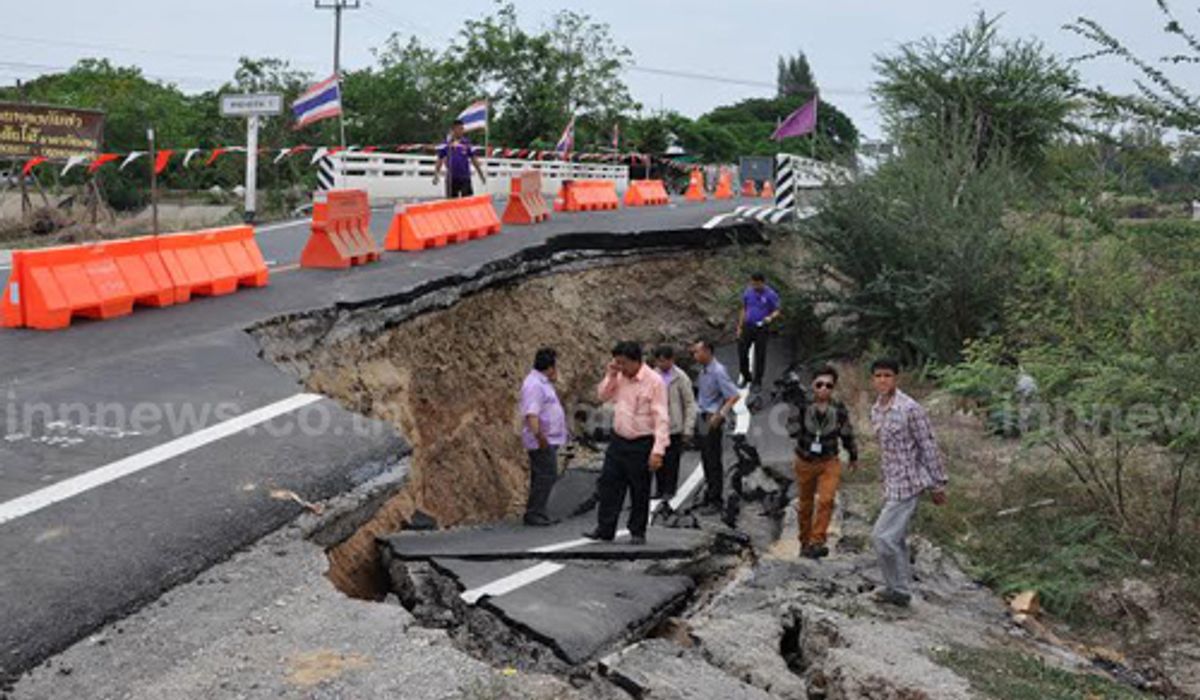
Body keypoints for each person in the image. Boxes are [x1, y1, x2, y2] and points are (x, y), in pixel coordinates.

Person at [867, 358, 949, 607]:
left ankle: (898, 589)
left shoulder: (910, 409)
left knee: (882, 537)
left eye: (888, 375)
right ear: (873, 379)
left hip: (908, 483)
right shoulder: (877, 409)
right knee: (897, 539)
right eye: (878, 376)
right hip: (891, 483)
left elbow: (928, 446)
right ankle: (900, 588)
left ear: (896, 378)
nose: (883, 380)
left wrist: (938, 484)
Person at [583, 341, 670, 545]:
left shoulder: (654, 381)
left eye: (623, 363)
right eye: (617, 362)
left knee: (639, 488)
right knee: (609, 484)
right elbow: (602, 395)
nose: (620, 367)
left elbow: (661, 417)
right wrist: (611, 374)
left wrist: (658, 450)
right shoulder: (619, 376)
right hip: (618, 439)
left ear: (636, 361)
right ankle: (605, 528)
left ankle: (637, 531)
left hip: (641, 442)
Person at [792, 366, 858, 560]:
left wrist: (853, 455)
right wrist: (798, 421)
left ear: (833, 388)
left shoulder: (838, 408)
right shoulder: (803, 404)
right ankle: (805, 543)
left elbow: (846, 433)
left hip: (829, 460)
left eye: (828, 385)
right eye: (819, 384)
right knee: (805, 505)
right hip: (805, 460)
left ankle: (817, 541)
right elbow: (791, 428)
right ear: (813, 385)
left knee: (826, 500)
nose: (823, 389)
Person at [691, 340, 741, 512]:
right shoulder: (704, 371)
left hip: (712, 417)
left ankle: (716, 500)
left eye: (697, 352)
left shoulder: (718, 371)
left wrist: (721, 414)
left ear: (707, 351)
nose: (695, 355)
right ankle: (709, 493)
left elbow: (733, 395)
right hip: (702, 416)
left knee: (713, 459)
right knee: (706, 458)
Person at [519, 348, 568, 527]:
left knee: (541, 474)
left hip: (548, 438)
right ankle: (535, 512)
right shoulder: (534, 385)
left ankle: (537, 511)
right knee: (547, 474)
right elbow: (531, 414)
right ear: (551, 367)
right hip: (542, 439)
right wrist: (539, 436)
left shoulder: (542, 383)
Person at [652, 345, 698, 505]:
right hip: (657, 426)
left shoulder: (680, 377)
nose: (661, 364)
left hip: (674, 426)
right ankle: (659, 489)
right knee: (659, 458)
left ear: (671, 360)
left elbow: (689, 403)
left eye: (664, 361)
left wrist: (688, 428)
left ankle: (669, 490)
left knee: (672, 460)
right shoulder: (653, 376)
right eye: (658, 361)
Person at [736, 273, 782, 389]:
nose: (754, 286)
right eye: (753, 283)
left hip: (761, 327)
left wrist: (770, 317)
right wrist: (740, 326)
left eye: (757, 284)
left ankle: (757, 381)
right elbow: (744, 308)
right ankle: (746, 376)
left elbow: (777, 310)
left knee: (760, 354)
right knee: (742, 352)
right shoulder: (748, 292)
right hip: (747, 326)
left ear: (762, 282)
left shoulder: (770, 294)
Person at [432, 119, 487, 198]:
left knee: (467, 201)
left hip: (465, 177)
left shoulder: (466, 143)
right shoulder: (446, 144)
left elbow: (474, 159)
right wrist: (436, 175)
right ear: (453, 129)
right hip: (451, 178)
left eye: (462, 129)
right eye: (459, 129)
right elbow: (439, 159)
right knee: (452, 202)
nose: (461, 131)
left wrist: (481, 175)